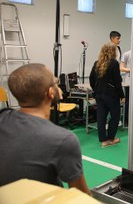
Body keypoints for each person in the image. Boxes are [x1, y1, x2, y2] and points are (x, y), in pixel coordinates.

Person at [0, 63, 91, 195]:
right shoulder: (63, 139)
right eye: (55, 82)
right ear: (50, 92)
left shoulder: (3, 117)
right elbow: (83, 197)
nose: (58, 86)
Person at [90, 42, 124, 147]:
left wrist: (95, 89)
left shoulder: (97, 63)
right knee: (115, 116)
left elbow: (92, 79)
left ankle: (103, 141)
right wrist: (122, 95)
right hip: (111, 95)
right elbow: (118, 82)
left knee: (101, 117)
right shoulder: (114, 63)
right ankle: (111, 138)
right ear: (112, 52)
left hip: (99, 94)